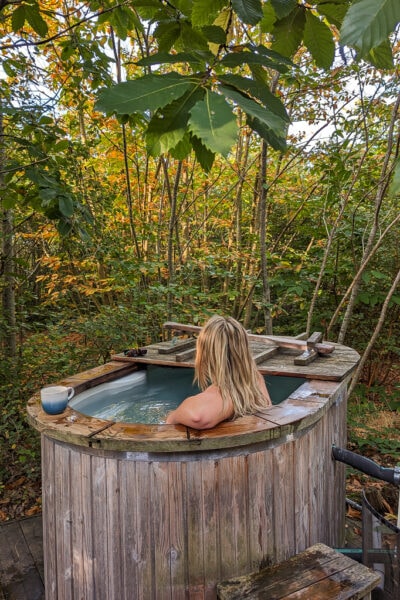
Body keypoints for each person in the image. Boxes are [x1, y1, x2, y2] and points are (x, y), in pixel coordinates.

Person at [165, 315, 271, 429]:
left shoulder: (221, 395)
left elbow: (197, 417)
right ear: (243, 351)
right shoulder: (254, 380)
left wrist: (173, 416)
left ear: (205, 353)